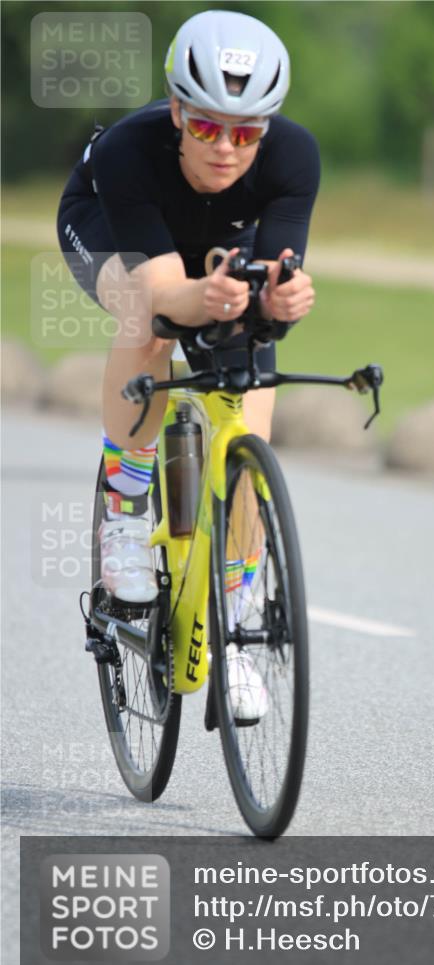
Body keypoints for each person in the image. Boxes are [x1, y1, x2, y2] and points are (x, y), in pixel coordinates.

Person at [57, 9, 320, 720]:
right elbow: (165, 292)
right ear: (176, 110)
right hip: (114, 227)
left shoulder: (295, 156)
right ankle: (126, 501)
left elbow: (276, 266)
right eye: (206, 126)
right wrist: (200, 298)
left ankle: (233, 625)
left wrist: (283, 295)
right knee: (150, 320)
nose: (227, 147)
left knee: (251, 370)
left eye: (246, 131)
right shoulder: (128, 150)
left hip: (216, 240)